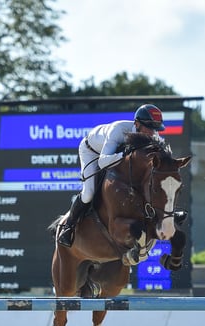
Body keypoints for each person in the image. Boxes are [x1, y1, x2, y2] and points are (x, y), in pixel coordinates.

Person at [56, 104, 166, 248]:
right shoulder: (119, 130)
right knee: (88, 193)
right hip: (92, 152)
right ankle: (68, 227)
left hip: (112, 154)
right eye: (149, 128)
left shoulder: (152, 135)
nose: (152, 133)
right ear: (137, 124)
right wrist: (124, 154)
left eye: (155, 129)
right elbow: (102, 162)